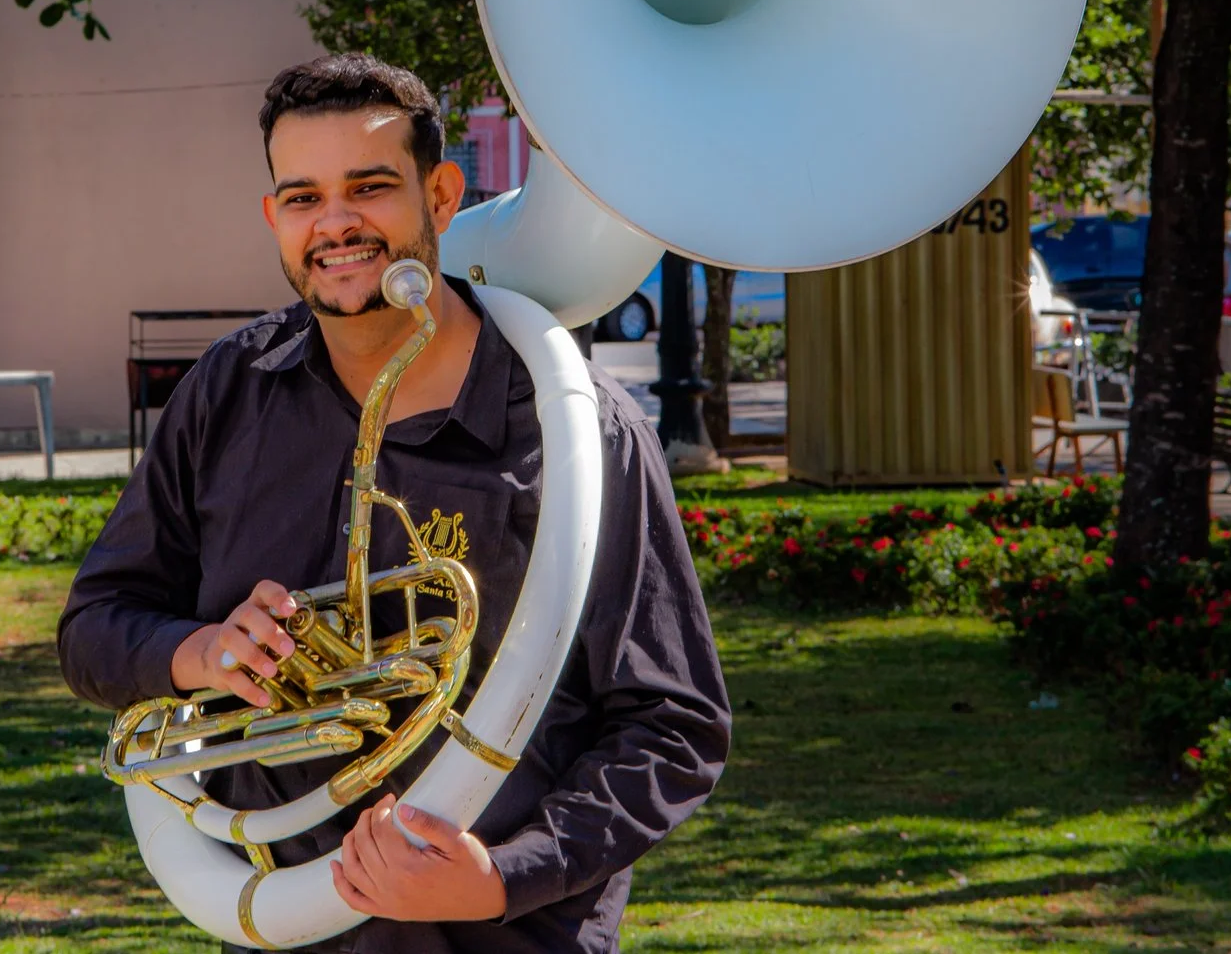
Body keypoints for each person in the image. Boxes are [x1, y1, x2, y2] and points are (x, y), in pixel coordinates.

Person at [58, 53, 731, 952]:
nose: (335, 224)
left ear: (442, 196)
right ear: (273, 216)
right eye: (301, 197)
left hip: (506, 938)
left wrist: (505, 876)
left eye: (369, 187)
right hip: (284, 931)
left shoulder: (578, 431)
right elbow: (94, 626)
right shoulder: (227, 392)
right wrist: (202, 649)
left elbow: (672, 724)